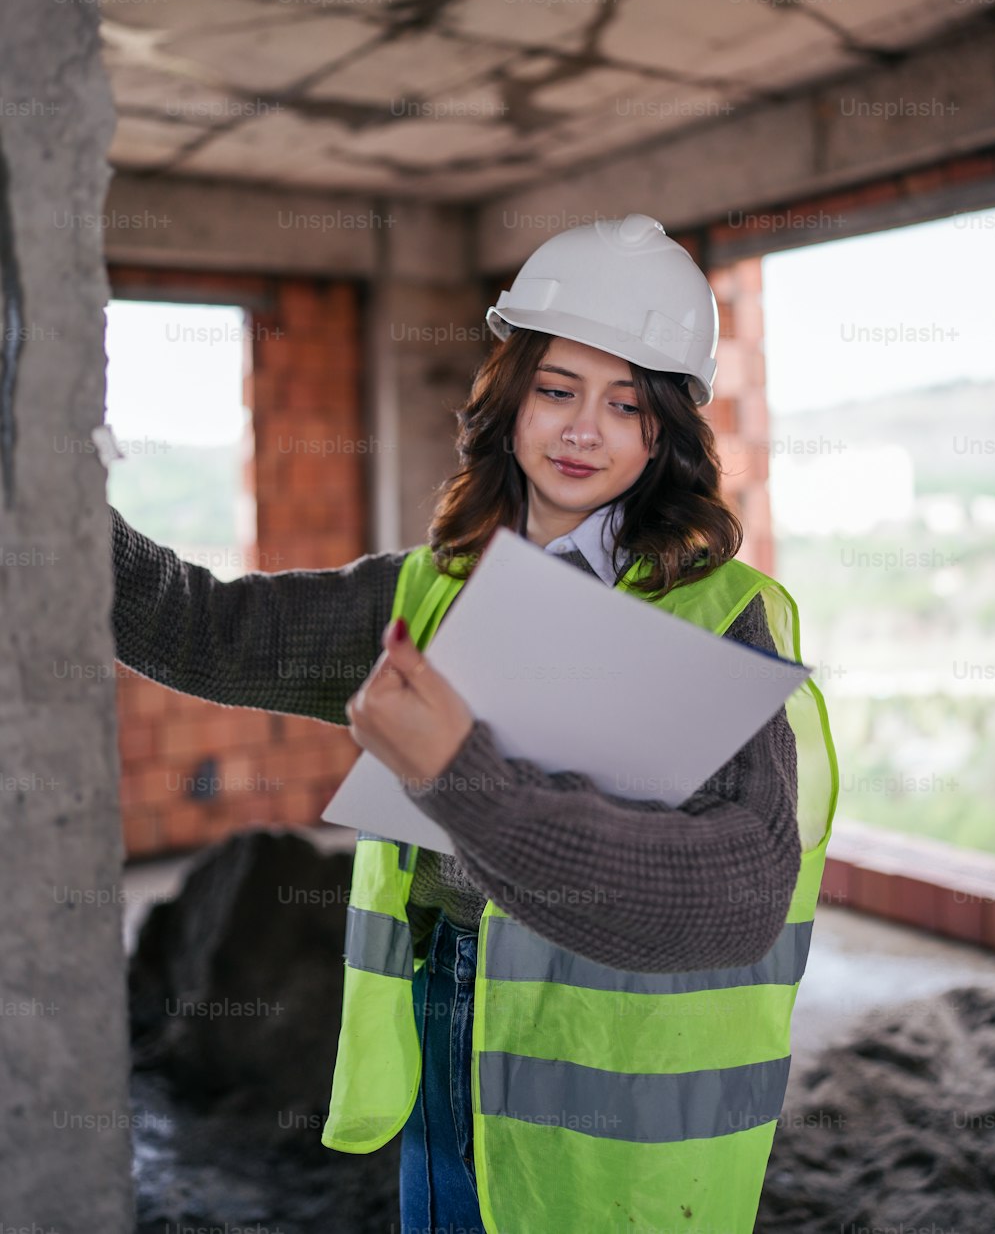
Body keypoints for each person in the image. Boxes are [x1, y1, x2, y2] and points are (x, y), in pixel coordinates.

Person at [108, 213, 838, 1234]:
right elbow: (202, 631)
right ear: (509, 398)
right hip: (444, 1004)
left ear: (665, 431)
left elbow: (738, 891)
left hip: (612, 1089)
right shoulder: (428, 591)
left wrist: (463, 776)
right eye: (556, 390)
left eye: (627, 405)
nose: (585, 429)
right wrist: (61, 496)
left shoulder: (722, 615)